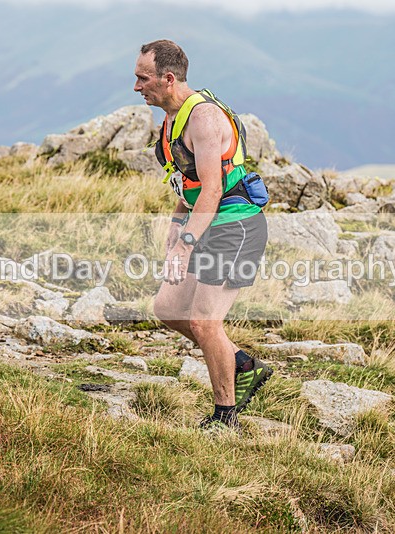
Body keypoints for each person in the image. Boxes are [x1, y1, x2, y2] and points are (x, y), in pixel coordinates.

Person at [133, 39, 273, 433]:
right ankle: (243, 364)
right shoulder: (171, 120)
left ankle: (225, 417)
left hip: (236, 225)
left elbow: (212, 190)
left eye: (143, 78)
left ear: (169, 78)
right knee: (168, 309)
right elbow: (188, 189)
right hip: (206, 223)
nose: (137, 86)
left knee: (204, 322)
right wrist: (175, 231)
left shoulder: (204, 119)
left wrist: (185, 244)